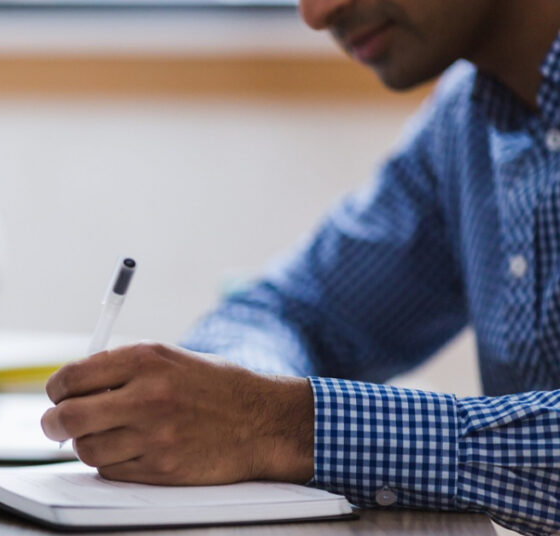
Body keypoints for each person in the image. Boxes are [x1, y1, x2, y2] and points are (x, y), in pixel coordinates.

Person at [39, 2, 560, 535]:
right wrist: (232, 399)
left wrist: (283, 425)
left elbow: (274, 410)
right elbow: (292, 310)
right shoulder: (466, 119)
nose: (316, 13)